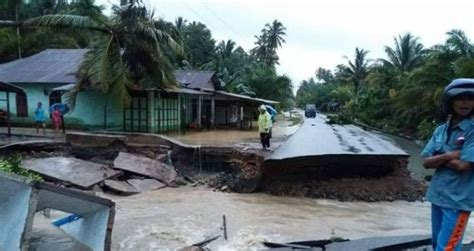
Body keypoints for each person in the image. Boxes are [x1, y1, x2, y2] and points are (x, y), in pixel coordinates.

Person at [421, 78, 474, 251]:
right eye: (460, 97)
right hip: (437, 196)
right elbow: (426, 162)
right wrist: (452, 154)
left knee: (448, 248)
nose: (465, 102)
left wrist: (440, 157)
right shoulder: (440, 130)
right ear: (450, 101)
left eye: (470, 98)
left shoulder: (472, 130)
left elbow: (463, 166)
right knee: (437, 244)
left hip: (458, 201)